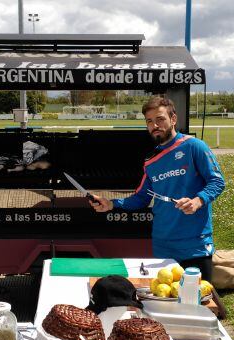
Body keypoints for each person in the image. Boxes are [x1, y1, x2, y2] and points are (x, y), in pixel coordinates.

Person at [90, 96, 225, 281]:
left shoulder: (194, 146)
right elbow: (141, 198)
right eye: (150, 121)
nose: (155, 125)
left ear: (173, 119)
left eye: (160, 119)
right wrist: (111, 204)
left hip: (195, 246)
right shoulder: (150, 161)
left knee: (197, 304)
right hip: (163, 246)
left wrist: (197, 201)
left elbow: (217, 181)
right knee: (163, 302)